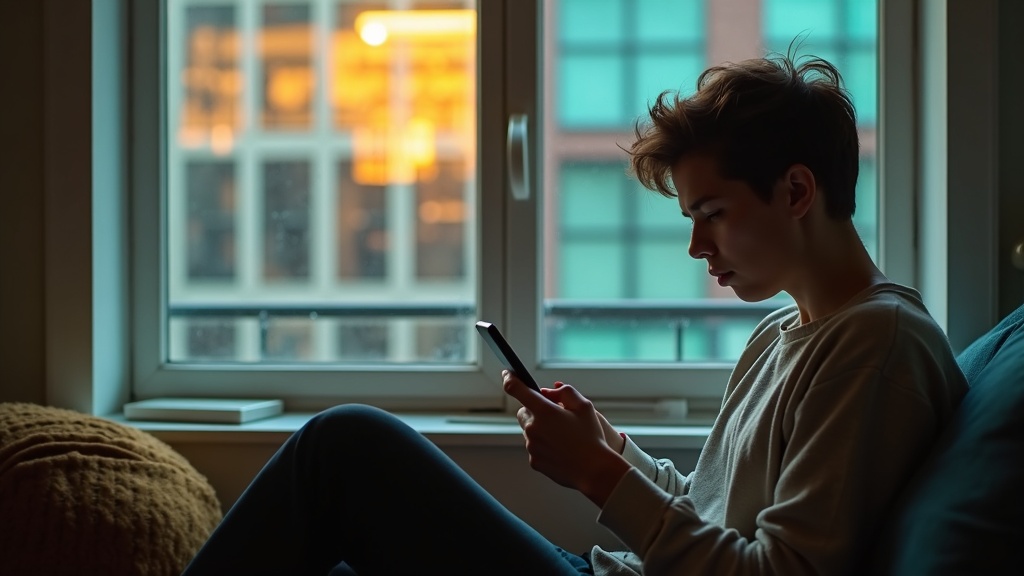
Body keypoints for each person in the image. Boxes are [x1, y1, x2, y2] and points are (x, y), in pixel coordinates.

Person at [182, 53, 968, 576]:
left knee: (343, 447)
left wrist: (597, 478)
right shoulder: (784, 333)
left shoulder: (877, 344)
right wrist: (613, 449)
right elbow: (706, 516)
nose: (698, 246)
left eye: (714, 213)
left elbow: (775, 572)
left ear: (797, 192)